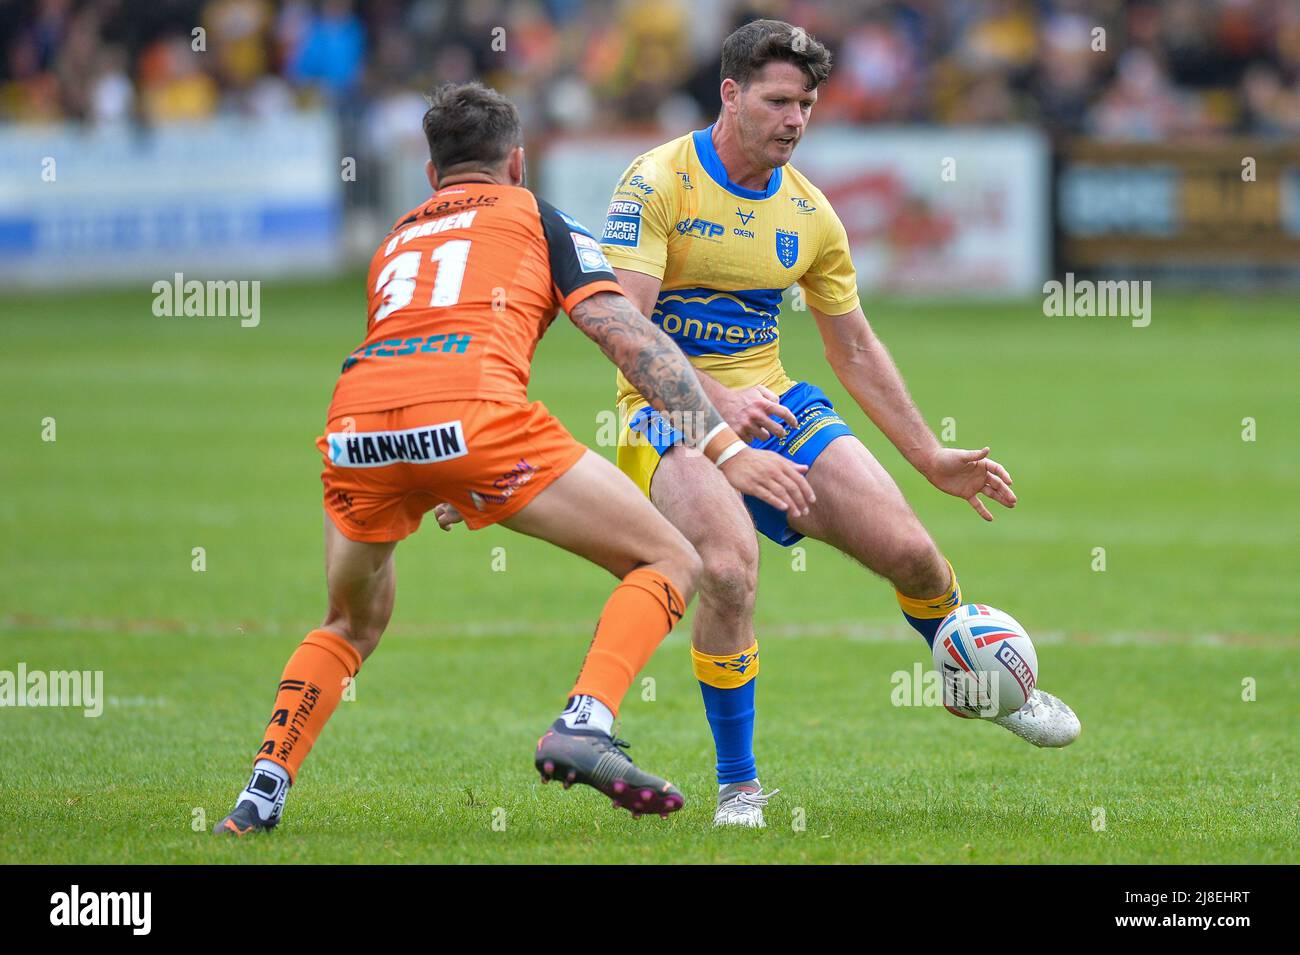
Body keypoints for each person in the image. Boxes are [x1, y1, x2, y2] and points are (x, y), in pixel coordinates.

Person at [213, 81, 814, 835]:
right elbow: (623, 331)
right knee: (671, 559)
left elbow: (403, 349)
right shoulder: (537, 214)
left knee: (348, 619)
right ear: (519, 163)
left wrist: (436, 471)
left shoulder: (397, 237)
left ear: (432, 175)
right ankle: (585, 722)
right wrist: (721, 441)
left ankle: (261, 793)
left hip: (357, 425)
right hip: (472, 416)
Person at [597, 20, 1080, 828]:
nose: (795, 119)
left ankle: (984, 680)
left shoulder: (810, 212)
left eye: (808, 104)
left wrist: (929, 456)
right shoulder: (656, 183)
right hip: (665, 419)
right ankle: (740, 788)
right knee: (729, 568)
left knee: (917, 557)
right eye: (778, 100)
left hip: (777, 405)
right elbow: (626, 332)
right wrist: (718, 406)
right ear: (730, 94)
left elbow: (851, 345)